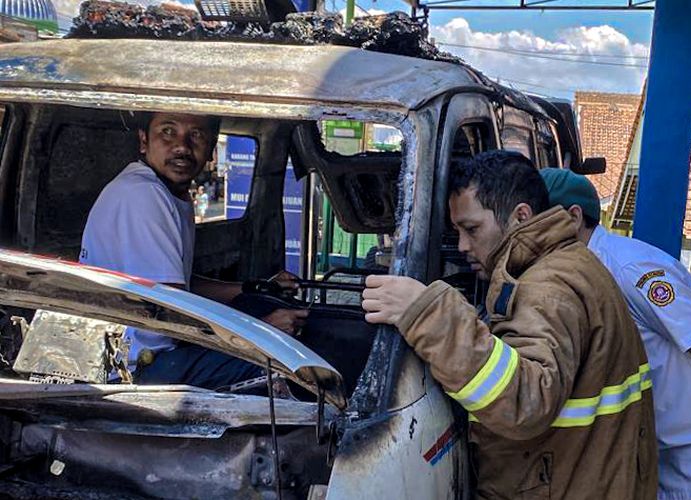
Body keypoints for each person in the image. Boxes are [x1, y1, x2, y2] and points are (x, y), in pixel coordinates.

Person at [362, 150, 657, 499]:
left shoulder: (548, 288)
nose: (463, 245)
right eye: (457, 230)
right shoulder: (569, 264)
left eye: (472, 228)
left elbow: (526, 401)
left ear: (520, 216)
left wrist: (427, 314)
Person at [541, 167, 691, 500]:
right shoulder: (584, 273)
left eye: (536, 221)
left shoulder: (628, 268)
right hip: (680, 465)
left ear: (573, 217)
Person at [80, 111, 308, 388]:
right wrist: (261, 333)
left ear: (211, 148)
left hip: (157, 352)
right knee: (289, 363)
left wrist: (251, 288)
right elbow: (174, 309)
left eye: (196, 135)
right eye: (167, 132)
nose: (182, 147)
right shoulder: (142, 195)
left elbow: (181, 285)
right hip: (135, 368)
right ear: (143, 141)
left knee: (253, 304)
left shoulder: (171, 193)